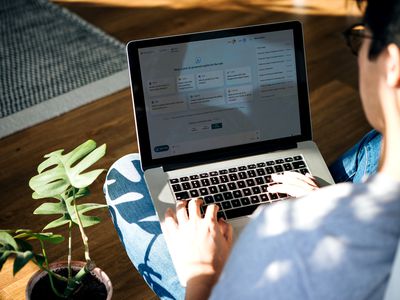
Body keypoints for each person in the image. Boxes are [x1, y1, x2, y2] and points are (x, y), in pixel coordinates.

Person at [104, 0, 400, 298]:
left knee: (126, 173)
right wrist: (330, 208)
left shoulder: (278, 241)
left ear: (392, 65)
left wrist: (202, 274)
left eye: (362, 37)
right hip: (336, 221)